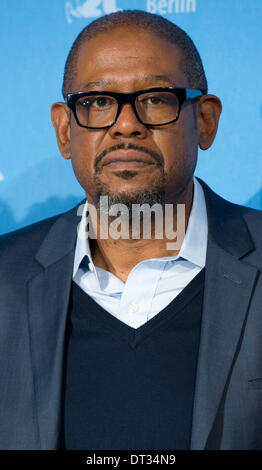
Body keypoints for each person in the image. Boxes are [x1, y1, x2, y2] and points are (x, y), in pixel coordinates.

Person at [0, 9, 262, 451]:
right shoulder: (5, 279)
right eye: (97, 102)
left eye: (157, 98)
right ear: (65, 131)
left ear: (205, 120)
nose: (126, 124)